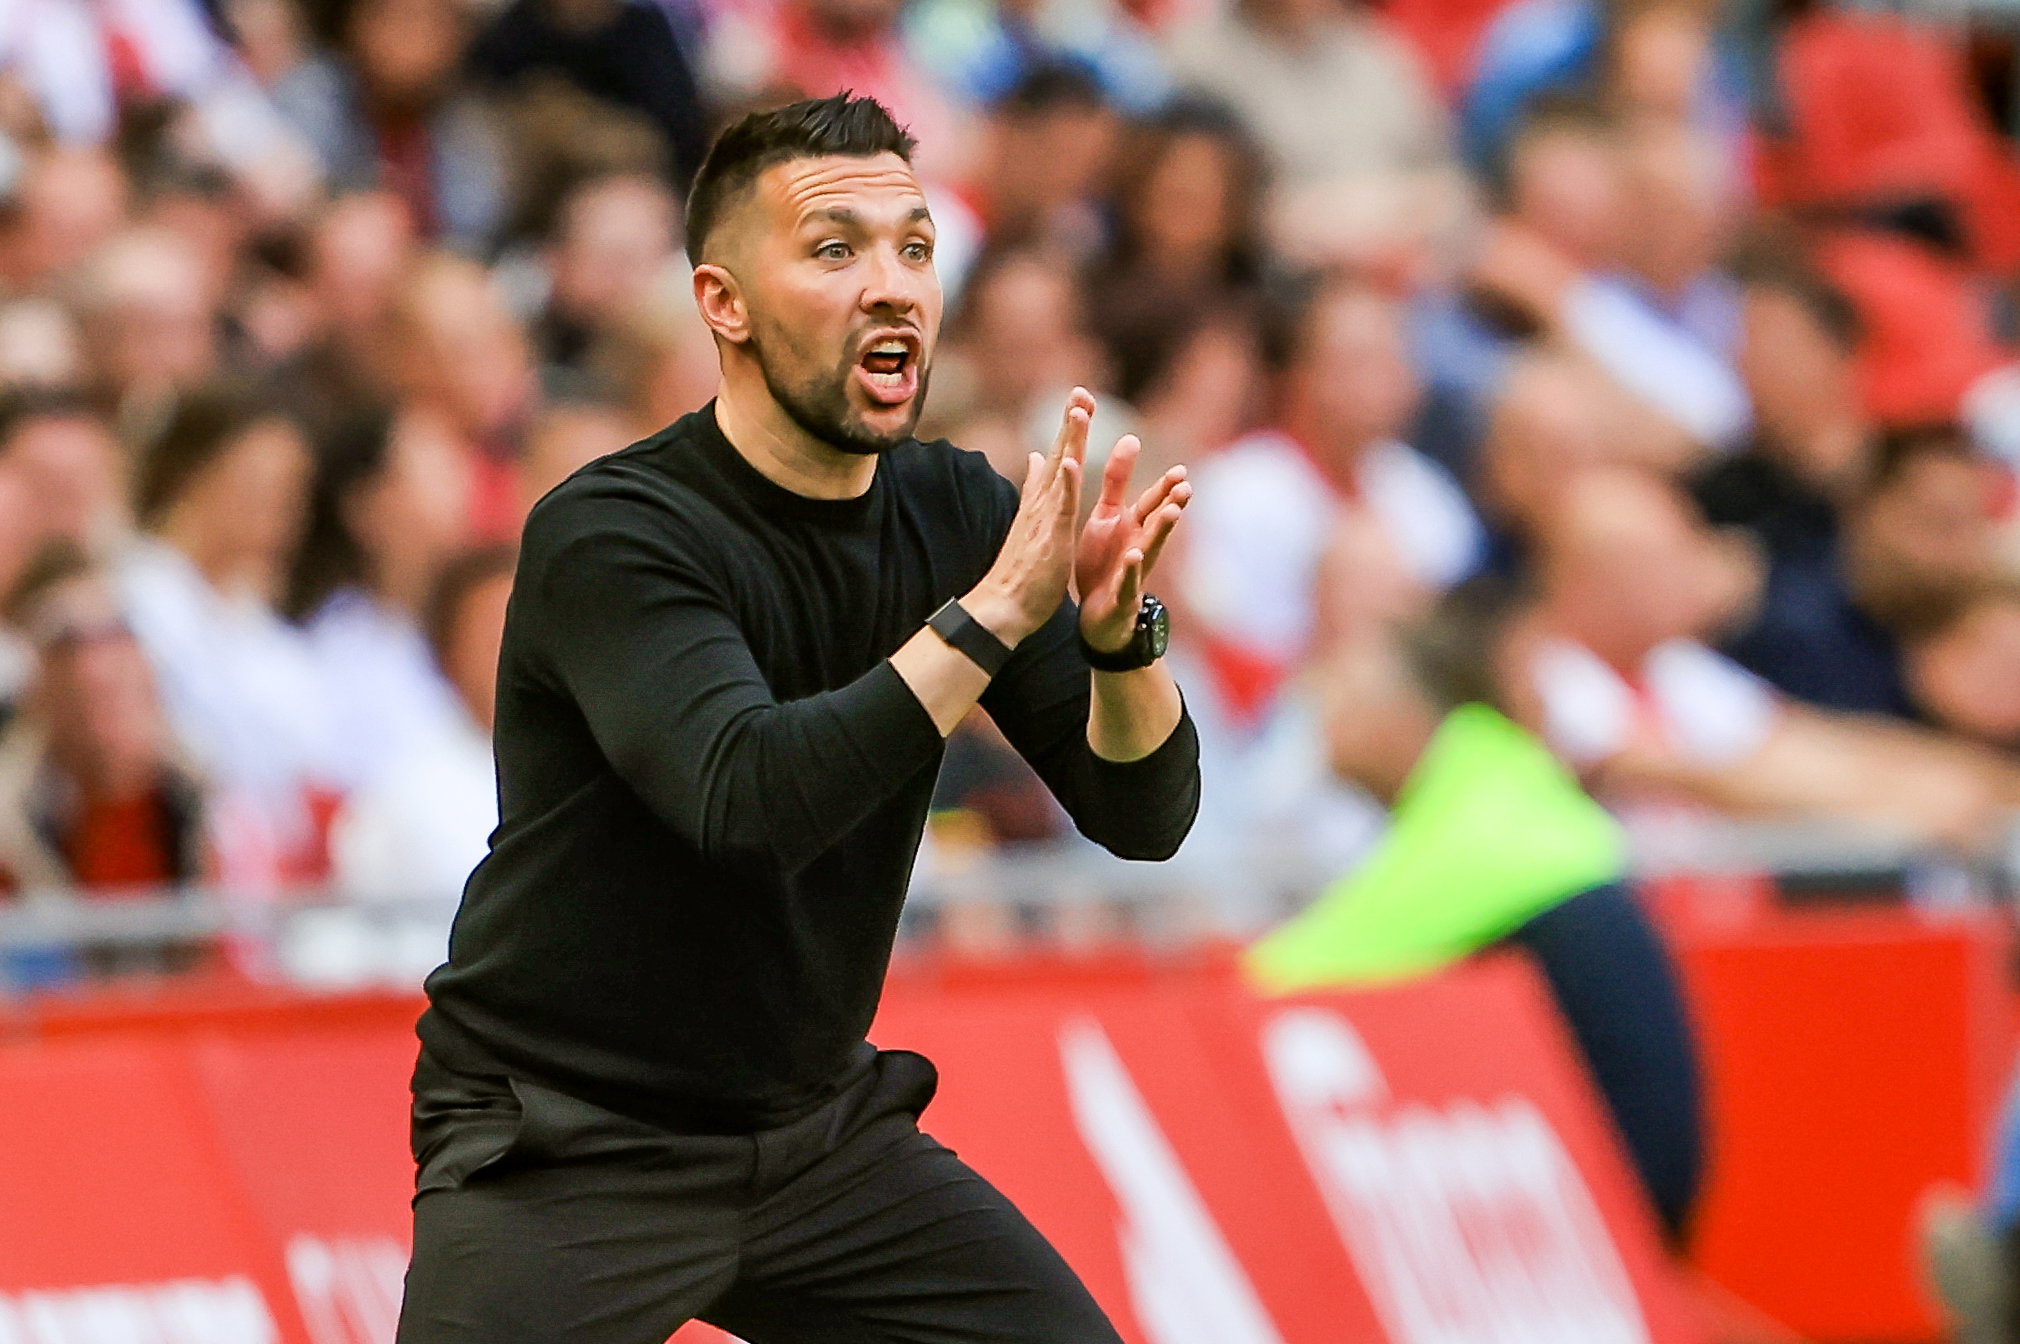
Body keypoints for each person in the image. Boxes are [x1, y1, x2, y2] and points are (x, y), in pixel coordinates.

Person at [396, 94, 1200, 1342]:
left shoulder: (961, 514)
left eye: (915, 248)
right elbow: (749, 800)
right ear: (724, 303)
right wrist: (986, 621)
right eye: (836, 250)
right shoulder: (615, 533)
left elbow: (1144, 815)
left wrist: (1117, 636)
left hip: (817, 1138)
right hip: (566, 1141)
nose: (892, 286)